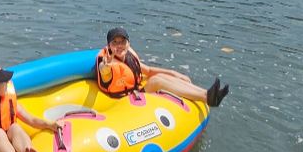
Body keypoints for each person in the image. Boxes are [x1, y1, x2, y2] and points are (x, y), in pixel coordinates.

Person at [96, 27, 229, 107]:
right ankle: (208, 98)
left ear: (128, 43)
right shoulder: (108, 62)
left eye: (122, 42)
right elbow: (105, 72)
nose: (119, 45)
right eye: (115, 43)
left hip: (135, 91)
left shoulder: (129, 55)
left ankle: (208, 93)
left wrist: (174, 73)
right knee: (156, 81)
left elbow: (147, 70)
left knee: (159, 76)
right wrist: (106, 65)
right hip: (124, 101)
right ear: (108, 46)